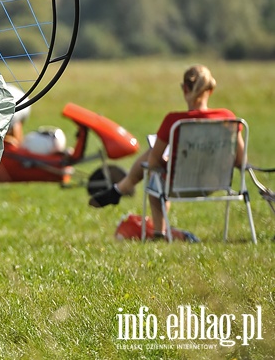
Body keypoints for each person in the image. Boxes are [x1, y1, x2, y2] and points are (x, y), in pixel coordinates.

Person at [88, 65, 243, 238]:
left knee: (152, 167)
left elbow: (153, 162)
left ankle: (155, 228)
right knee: (154, 159)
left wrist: (171, 161)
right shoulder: (228, 118)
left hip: (178, 185)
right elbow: (240, 160)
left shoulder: (174, 121)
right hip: (215, 184)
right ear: (210, 90)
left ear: (184, 88)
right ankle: (120, 190)